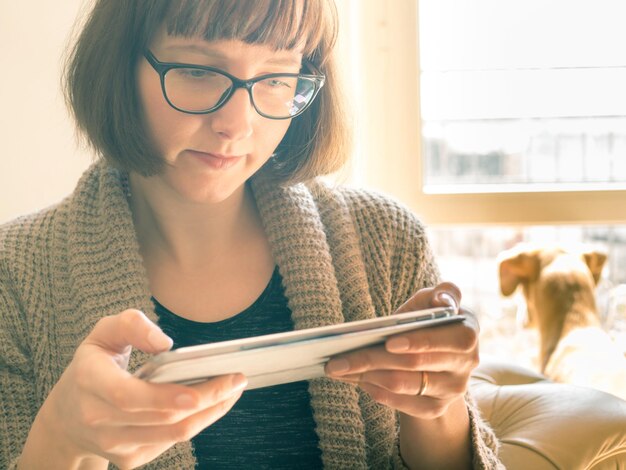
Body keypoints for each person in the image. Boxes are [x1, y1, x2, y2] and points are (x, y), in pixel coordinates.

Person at [0, 1, 503, 468]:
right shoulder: (15, 274)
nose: (236, 124)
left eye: (277, 78)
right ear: (120, 65)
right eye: (198, 71)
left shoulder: (385, 240)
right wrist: (61, 438)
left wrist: (437, 405)